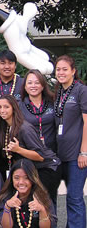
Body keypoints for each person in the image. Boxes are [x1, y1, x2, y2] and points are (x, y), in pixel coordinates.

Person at [0, 94, 61, 205]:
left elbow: (40, 156)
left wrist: (18, 149)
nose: (2, 110)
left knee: (43, 205)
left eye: (6, 107)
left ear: (14, 108)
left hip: (47, 168)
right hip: (31, 170)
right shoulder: (6, 127)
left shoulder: (24, 128)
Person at [54, 55, 87, 228]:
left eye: (65, 69)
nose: (61, 72)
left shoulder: (81, 90)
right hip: (61, 155)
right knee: (67, 198)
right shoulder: (59, 92)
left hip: (77, 156)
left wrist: (84, 152)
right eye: (58, 69)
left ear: (73, 71)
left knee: (74, 197)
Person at [0, 158, 57, 228]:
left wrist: (42, 210)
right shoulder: (6, 197)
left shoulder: (42, 196)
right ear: (11, 179)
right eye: (16, 178)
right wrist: (7, 207)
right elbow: (6, 226)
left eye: (26, 178)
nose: (21, 182)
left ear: (33, 178)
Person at [19, 69, 57, 153]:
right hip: (30, 153)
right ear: (25, 86)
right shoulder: (19, 106)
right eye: (29, 83)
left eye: (37, 82)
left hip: (53, 153)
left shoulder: (52, 102)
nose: (33, 86)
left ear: (43, 86)